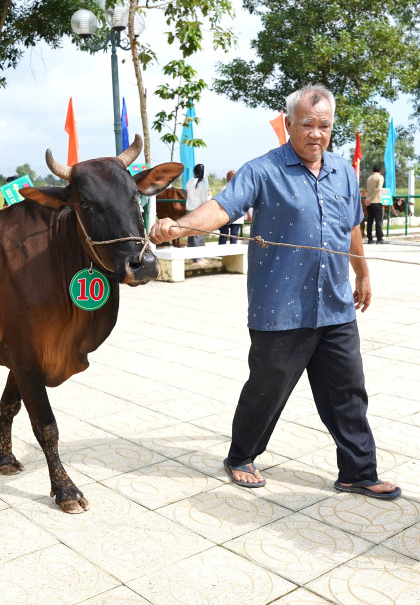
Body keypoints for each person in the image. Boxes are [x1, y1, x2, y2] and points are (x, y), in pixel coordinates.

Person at [148, 84, 400, 500]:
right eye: (307, 125)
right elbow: (223, 207)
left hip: (335, 305)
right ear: (288, 124)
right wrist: (181, 226)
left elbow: (351, 226)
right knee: (268, 387)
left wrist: (363, 273)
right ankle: (241, 455)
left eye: (324, 126)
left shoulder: (344, 171)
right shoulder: (262, 170)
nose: (316, 134)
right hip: (280, 307)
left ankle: (358, 470)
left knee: (348, 391)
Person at [185, 164, 209, 254]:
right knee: (199, 233)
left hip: (189, 209)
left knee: (191, 233)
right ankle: (198, 256)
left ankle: (191, 254)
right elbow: (204, 199)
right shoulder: (202, 183)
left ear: (194, 172)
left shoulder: (190, 182)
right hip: (199, 209)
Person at [218, 170, 246, 244]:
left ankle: (230, 254)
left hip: (231, 216)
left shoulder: (226, 189)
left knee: (229, 236)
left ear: (230, 178)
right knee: (227, 236)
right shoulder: (226, 188)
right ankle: (222, 253)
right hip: (229, 216)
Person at [365, 164, 386, 244]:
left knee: (370, 220)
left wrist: (368, 198)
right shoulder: (380, 177)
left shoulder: (369, 178)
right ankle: (379, 238)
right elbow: (379, 188)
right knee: (378, 220)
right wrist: (371, 197)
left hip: (369, 202)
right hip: (376, 200)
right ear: (380, 171)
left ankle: (370, 238)